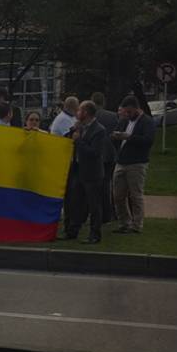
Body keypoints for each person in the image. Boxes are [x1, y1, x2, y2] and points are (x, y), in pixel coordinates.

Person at [60, 101, 108, 244]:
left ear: (86, 112)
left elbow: (94, 152)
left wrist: (79, 141)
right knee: (75, 202)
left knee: (93, 205)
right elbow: (67, 139)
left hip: (92, 174)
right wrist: (72, 131)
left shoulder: (99, 130)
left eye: (80, 110)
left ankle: (95, 234)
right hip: (78, 171)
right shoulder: (79, 127)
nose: (77, 113)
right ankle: (72, 231)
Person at [111, 95, 155, 234]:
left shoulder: (147, 122)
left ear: (137, 109)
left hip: (137, 162)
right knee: (118, 195)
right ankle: (124, 222)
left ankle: (137, 224)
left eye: (129, 112)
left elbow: (148, 140)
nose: (127, 114)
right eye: (126, 112)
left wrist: (129, 137)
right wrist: (115, 136)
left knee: (135, 195)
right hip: (121, 161)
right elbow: (115, 135)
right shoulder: (124, 121)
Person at [92, 92, 119, 223]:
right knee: (108, 184)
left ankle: (98, 212)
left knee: (95, 186)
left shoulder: (91, 117)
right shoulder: (113, 116)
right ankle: (110, 212)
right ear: (103, 102)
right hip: (110, 154)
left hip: (95, 156)